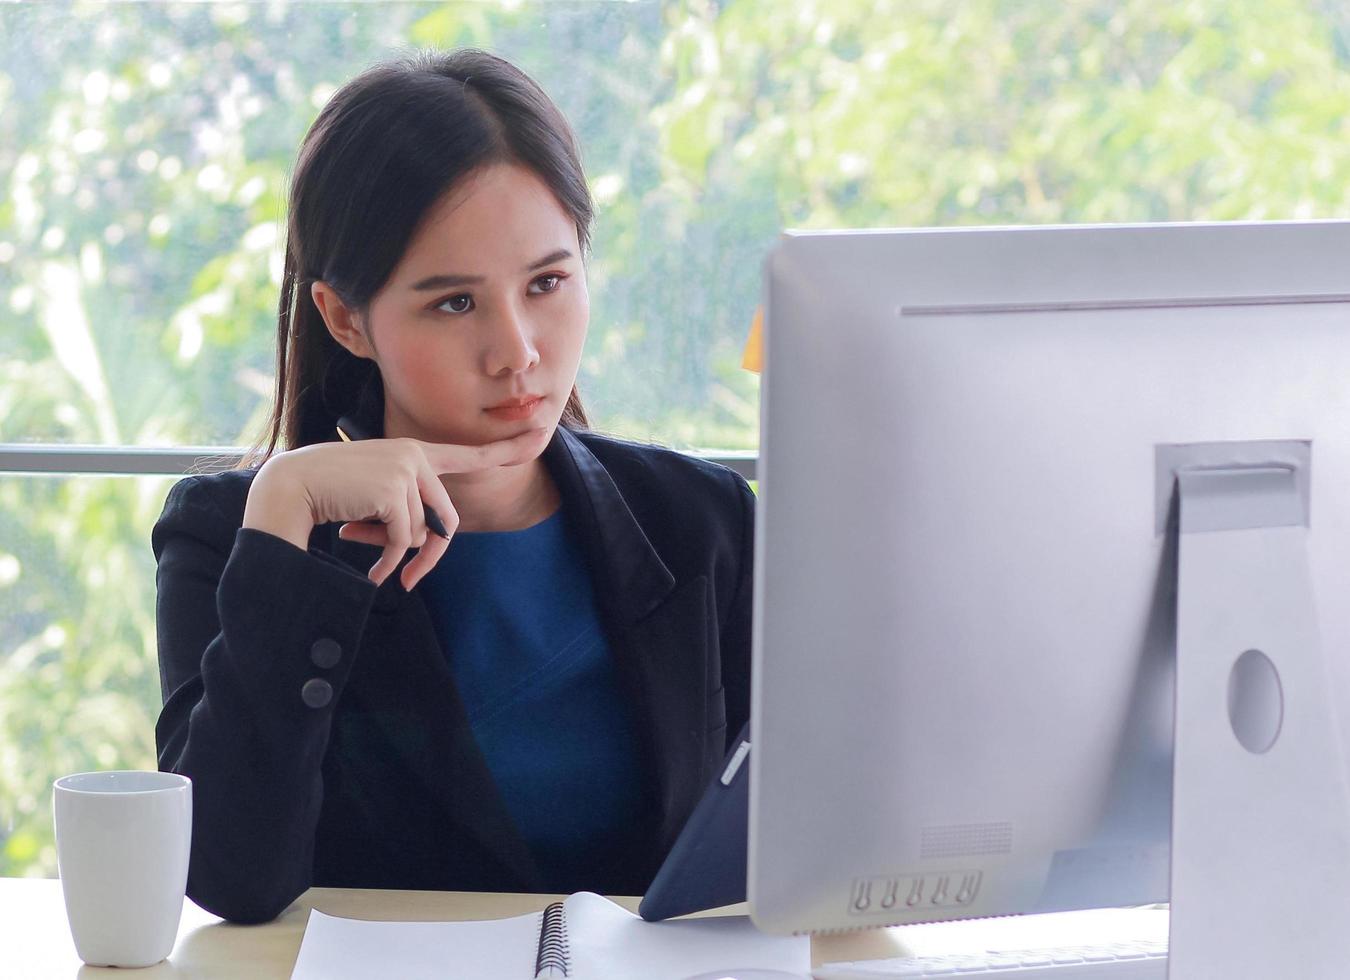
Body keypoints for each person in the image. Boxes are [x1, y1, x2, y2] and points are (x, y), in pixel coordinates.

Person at [151, 48, 754, 925]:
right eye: (454, 303)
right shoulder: (233, 536)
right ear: (345, 318)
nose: (518, 351)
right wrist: (283, 509)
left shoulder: (701, 521)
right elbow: (230, 879)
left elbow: (813, 832)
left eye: (547, 282)